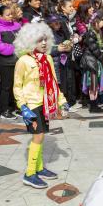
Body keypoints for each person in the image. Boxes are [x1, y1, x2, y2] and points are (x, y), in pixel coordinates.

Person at [13, 22, 65, 189]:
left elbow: (54, 83)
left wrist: (62, 101)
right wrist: (23, 106)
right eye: (38, 40)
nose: (43, 43)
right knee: (38, 136)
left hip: (45, 103)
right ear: (29, 42)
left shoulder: (48, 58)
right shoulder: (23, 61)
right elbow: (17, 85)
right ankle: (29, 174)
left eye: (44, 39)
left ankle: (39, 168)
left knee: (41, 136)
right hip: (31, 105)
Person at [0, 5, 22, 119]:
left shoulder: (17, 25)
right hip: (6, 62)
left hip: (19, 60)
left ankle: (16, 107)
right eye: (8, 15)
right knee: (6, 87)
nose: (11, 16)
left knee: (17, 85)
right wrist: (14, 48)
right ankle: (4, 109)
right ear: (0, 16)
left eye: (11, 14)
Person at [81, 12, 103, 114]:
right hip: (91, 62)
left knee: (95, 84)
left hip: (95, 61)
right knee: (93, 84)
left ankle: (95, 104)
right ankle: (93, 106)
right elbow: (94, 49)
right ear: (95, 22)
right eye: (101, 21)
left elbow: (101, 47)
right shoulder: (91, 33)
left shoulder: (97, 32)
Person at [48, 14, 77, 109]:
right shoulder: (47, 34)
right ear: (50, 23)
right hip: (53, 63)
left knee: (64, 83)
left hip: (62, 61)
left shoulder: (61, 32)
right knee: (57, 84)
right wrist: (57, 49)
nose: (58, 24)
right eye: (55, 22)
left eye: (59, 22)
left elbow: (65, 44)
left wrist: (68, 47)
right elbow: (44, 49)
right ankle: (56, 105)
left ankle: (64, 104)